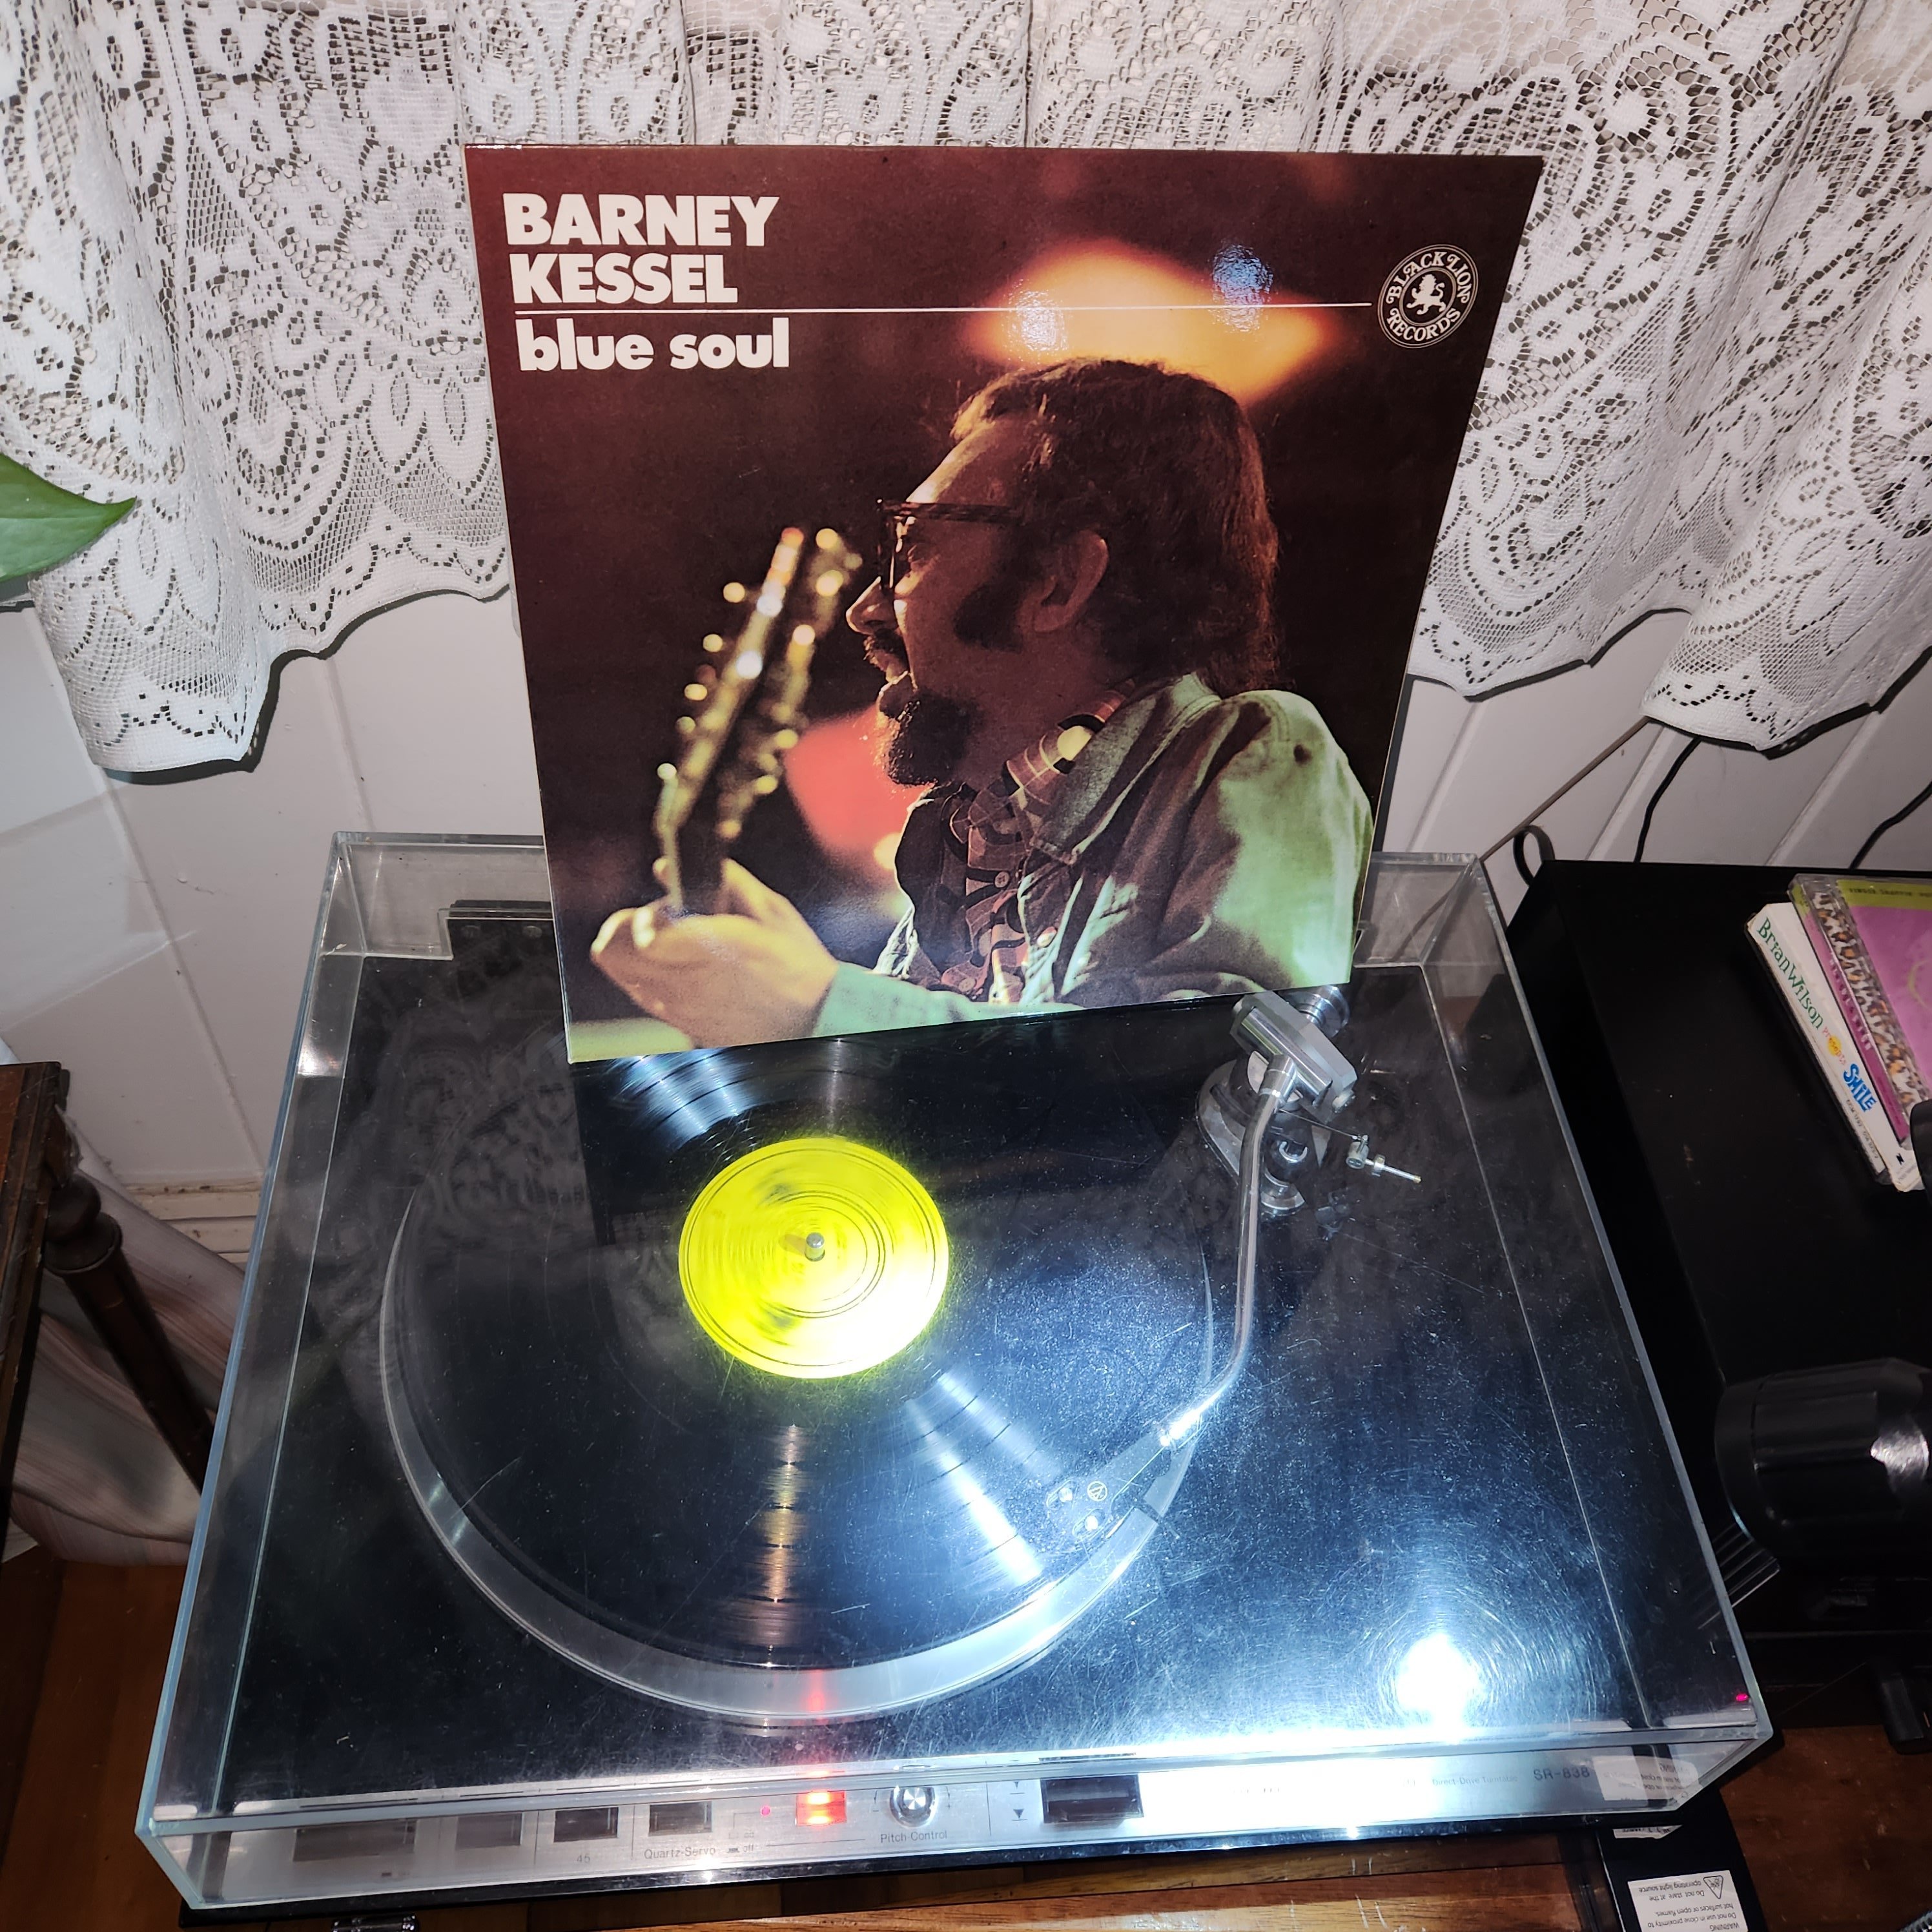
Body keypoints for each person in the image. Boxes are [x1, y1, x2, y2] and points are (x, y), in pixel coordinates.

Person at [592, 357, 1371, 1049]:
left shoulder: (1253, 754)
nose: (866, 611)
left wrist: (821, 1009)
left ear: (1057, 583)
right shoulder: (964, 833)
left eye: (912, 550)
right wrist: (780, 1013)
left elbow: (1222, 1081)